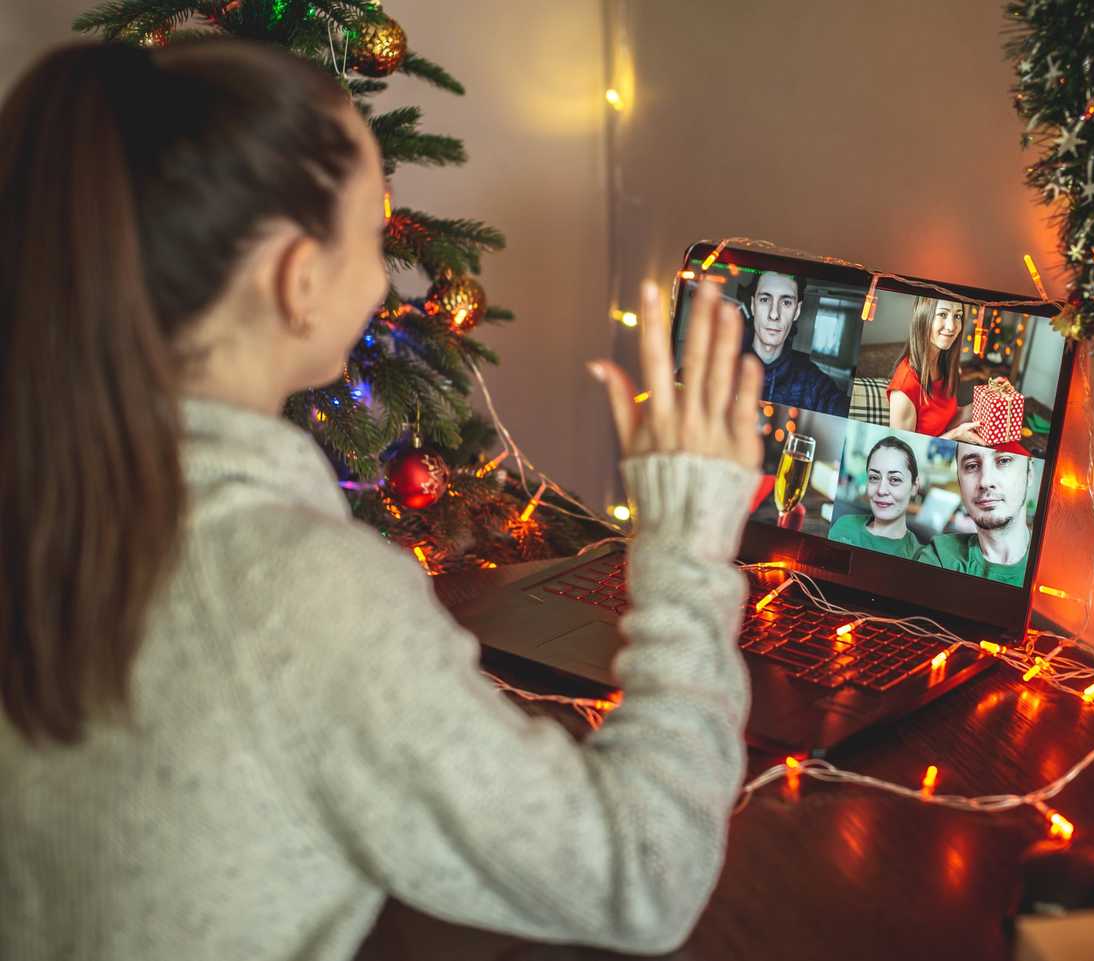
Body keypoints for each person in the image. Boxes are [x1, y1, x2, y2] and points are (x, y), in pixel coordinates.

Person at [0, 41, 764, 961]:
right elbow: (640, 872)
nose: (382, 273)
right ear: (298, 278)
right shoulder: (293, 593)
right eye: (374, 232)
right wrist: (688, 549)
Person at [918, 441, 1033, 586]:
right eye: (972, 466)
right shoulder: (939, 556)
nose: (985, 481)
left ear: (1029, 474)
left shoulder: (1055, 564)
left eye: (1004, 461)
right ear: (959, 481)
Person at [741, 269, 849, 416]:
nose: (774, 314)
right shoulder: (721, 364)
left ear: (797, 311)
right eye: (765, 300)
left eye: (786, 302)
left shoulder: (814, 384)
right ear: (753, 306)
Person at [887, 297, 985, 443]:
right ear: (923, 317)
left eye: (957, 316)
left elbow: (948, 419)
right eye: (942, 314)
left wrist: (988, 398)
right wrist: (954, 436)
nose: (952, 326)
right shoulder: (905, 387)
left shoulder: (947, 367)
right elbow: (902, 453)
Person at [827, 436, 924, 559]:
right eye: (874, 477)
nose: (881, 490)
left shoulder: (919, 556)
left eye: (895, 479)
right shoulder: (843, 525)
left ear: (914, 486)